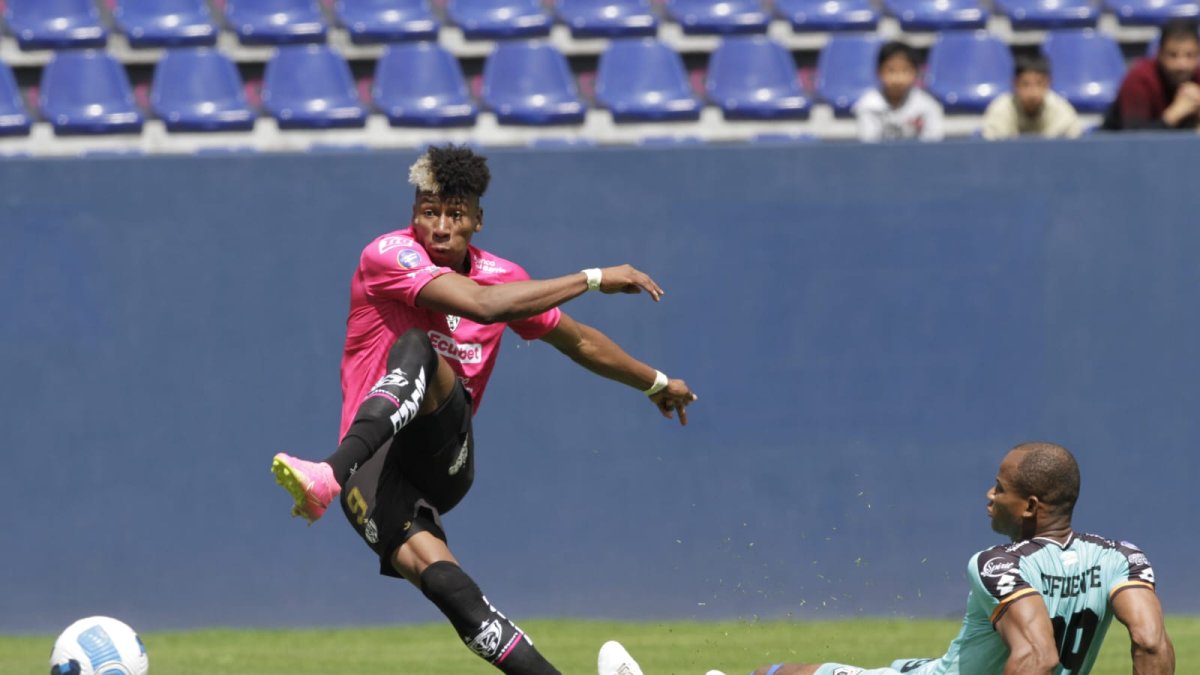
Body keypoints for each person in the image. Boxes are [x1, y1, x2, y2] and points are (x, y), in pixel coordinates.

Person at [271, 145, 698, 675]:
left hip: (442, 451)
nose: (442, 227)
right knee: (446, 586)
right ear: (413, 217)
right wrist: (592, 276)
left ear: (478, 219)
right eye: (430, 212)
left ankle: (325, 474)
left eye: (456, 214)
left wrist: (655, 382)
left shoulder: (503, 276)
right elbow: (479, 304)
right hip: (373, 465)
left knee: (417, 347)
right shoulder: (387, 255)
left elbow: (578, 340)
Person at [603, 443, 1175, 675]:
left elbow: (1039, 657)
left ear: (1028, 506)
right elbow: (1150, 643)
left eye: (998, 488)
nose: (988, 495)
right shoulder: (1123, 558)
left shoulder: (1000, 564)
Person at [1102, 19, 1200, 131]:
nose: (1181, 65)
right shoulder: (1139, 79)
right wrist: (1173, 115)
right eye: (1173, 55)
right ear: (1159, 54)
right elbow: (1132, 139)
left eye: (1189, 55)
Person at [854, 41, 945, 142]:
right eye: (891, 70)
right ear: (879, 72)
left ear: (915, 73)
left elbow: (932, 146)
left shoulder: (928, 106)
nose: (898, 79)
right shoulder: (868, 105)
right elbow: (868, 147)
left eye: (905, 70)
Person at [981, 55, 1082, 140]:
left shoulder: (1062, 111)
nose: (1033, 92)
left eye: (1039, 83)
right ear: (1015, 84)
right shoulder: (1000, 110)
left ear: (1048, 83)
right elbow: (991, 152)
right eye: (1025, 84)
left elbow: (1074, 149)